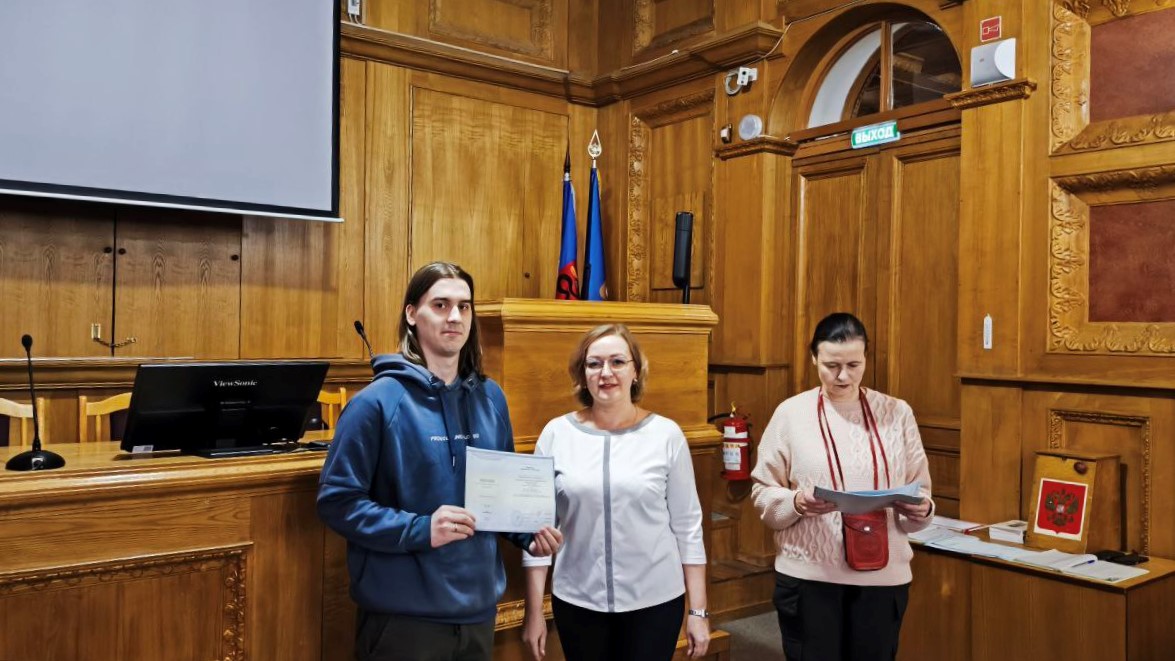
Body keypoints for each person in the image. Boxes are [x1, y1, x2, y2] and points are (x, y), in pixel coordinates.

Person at [317, 261, 563, 661]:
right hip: (403, 620)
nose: (454, 317)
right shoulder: (375, 403)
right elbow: (337, 503)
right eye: (441, 305)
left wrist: (528, 533)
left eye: (464, 306)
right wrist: (420, 529)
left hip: (478, 613)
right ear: (412, 314)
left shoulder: (491, 398)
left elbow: (499, 495)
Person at [521, 323, 710, 661]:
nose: (605, 373)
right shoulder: (556, 434)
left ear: (636, 371)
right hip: (578, 601)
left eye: (618, 362)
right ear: (582, 375)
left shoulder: (666, 435)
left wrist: (698, 611)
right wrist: (534, 612)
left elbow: (688, 527)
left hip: (654, 602)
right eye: (594, 364)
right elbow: (537, 531)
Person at [751, 312, 934, 661]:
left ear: (866, 358)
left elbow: (921, 493)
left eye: (854, 364)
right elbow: (762, 492)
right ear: (814, 358)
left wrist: (922, 510)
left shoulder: (897, 413)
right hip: (810, 579)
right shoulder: (791, 413)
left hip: (882, 579)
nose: (843, 376)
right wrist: (796, 502)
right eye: (831, 365)